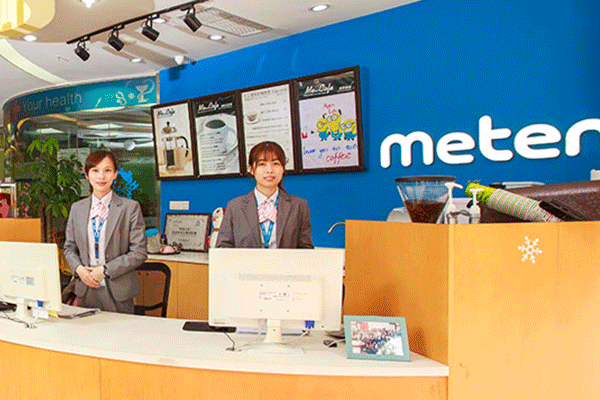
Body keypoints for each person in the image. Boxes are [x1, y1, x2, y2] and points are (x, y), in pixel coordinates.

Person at [64, 150, 147, 313]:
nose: (101, 176)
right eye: (95, 170)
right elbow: (69, 248)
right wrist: (79, 269)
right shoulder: (77, 209)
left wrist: (105, 270)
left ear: (115, 174)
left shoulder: (130, 208)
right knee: (87, 329)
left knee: (119, 329)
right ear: (87, 175)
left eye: (107, 170)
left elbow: (139, 252)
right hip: (86, 286)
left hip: (118, 290)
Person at [216, 141, 313, 249]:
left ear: (283, 168)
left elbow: (306, 249)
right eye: (262, 164)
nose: (269, 170)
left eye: (275, 164)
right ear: (251, 169)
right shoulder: (235, 207)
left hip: (286, 261)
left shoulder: (299, 206)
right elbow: (223, 248)